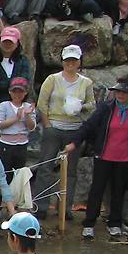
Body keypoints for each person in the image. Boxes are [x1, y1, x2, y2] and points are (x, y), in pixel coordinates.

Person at [65, 79, 128, 239]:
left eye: (124, 92)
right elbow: (89, 126)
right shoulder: (106, 108)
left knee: (119, 190)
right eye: (118, 91)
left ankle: (115, 222)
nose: (120, 95)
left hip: (125, 157)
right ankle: (89, 223)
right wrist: (74, 142)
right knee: (97, 189)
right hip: (104, 155)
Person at [34, 44, 94, 221]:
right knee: (45, 167)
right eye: (67, 60)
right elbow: (42, 103)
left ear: (79, 61)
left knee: (70, 172)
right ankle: (41, 206)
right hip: (54, 127)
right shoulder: (52, 79)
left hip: (74, 130)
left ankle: (65, 208)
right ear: (62, 61)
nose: (70, 63)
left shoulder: (86, 82)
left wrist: (80, 106)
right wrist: (47, 125)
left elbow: (92, 104)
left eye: (74, 60)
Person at [0, 76, 37, 180]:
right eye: (14, 91)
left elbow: (32, 127)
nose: (17, 94)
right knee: (4, 173)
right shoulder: (4, 105)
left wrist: (27, 115)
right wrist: (16, 118)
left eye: (20, 91)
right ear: (10, 92)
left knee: (19, 174)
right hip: (6, 144)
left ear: (25, 92)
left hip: (22, 145)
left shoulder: (28, 107)